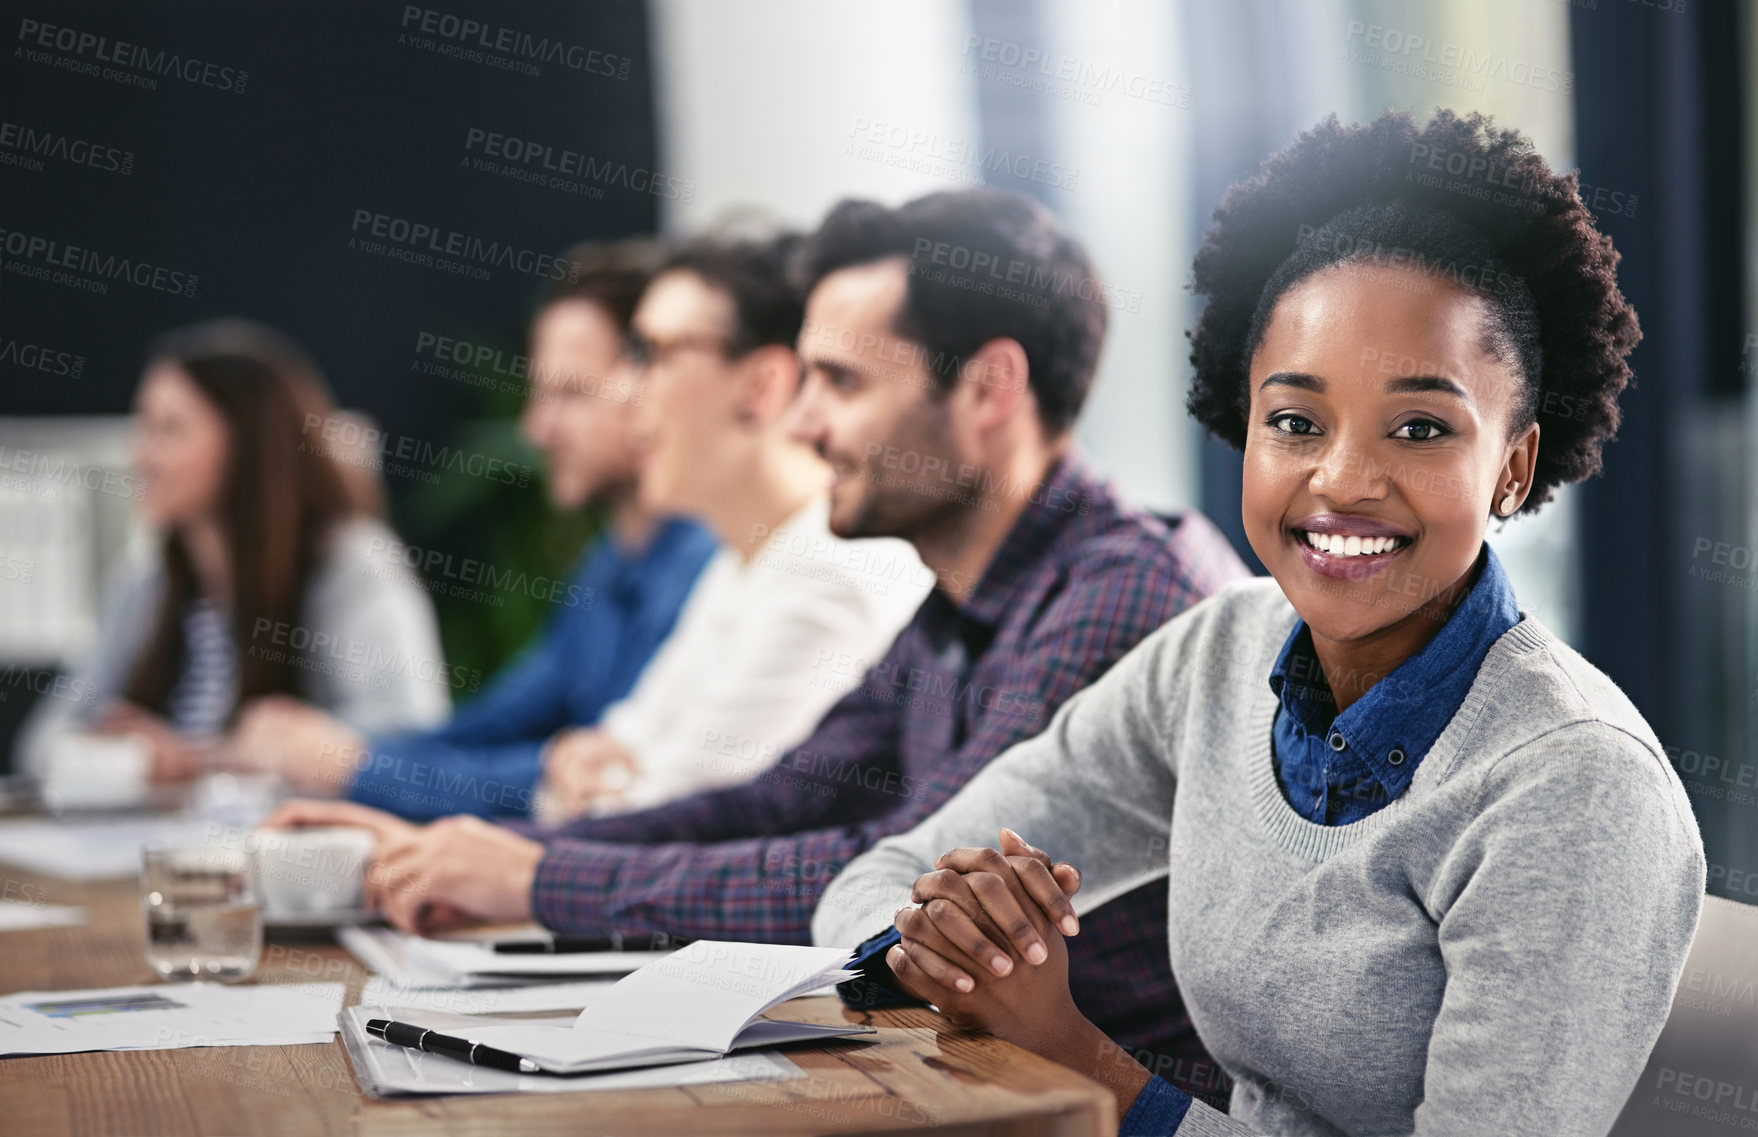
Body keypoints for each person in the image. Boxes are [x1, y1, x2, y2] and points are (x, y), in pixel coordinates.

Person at [815, 109, 1706, 1136]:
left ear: (1513, 463)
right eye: (1294, 421)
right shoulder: (1222, 653)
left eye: (1420, 428)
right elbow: (878, 884)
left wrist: (1067, 1052)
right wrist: (943, 934)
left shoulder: (1571, 789)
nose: (1343, 479)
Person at [264, 187, 1249, 1100]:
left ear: (990, 389)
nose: (805, 422)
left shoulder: (1121, 592)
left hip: (1076, 1107)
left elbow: (894, 887)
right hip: (959, 1078)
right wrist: (501, 850)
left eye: (840, 381)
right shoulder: (960, 597)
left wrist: (531, 876)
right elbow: (779, 799)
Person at [232, 241, 720, 819]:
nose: (536, 428)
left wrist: (354, 765)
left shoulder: (710, 569)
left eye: (571, 393)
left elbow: (610, 778)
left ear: (656, 385)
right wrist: (341, 752)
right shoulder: (613, 561)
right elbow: (498, 728)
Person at [16, 319, 448, 785]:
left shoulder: (350, 565)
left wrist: (204, 760)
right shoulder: (147, 583)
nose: (142, 455)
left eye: (170, 430)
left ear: (248, 442)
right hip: (152, 849)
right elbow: (41, 744)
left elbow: (409, 737)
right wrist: (133, 759)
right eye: (143, 427)